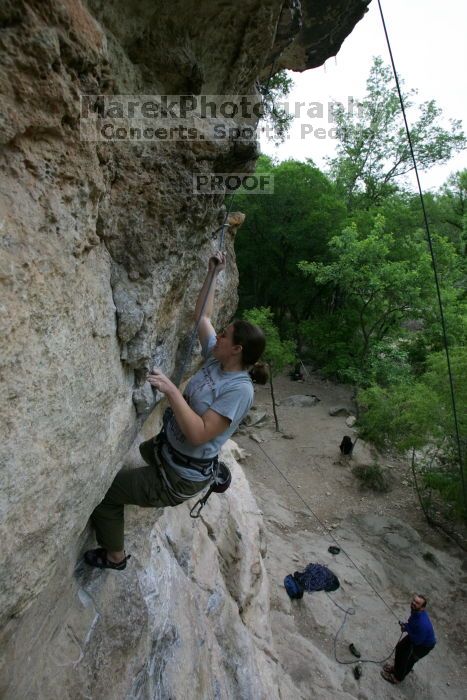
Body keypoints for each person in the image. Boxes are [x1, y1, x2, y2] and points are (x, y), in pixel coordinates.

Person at [84, 252, 267, 570]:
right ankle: (149, 475)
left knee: (108, 494)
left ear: (237, 349)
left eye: (225, 335)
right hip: (170, 450)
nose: (218, 335)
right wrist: (214, 273)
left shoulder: (238, 390)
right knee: (143, 450)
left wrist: (171, 390)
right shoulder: (217, 357)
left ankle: (115, 557)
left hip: (180, 475)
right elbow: (203, 317)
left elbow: (198, 434)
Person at [381, 594, 436, 684]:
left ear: (422, 608)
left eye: (417, 603)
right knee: (399, 648)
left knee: (407, 660)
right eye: (414, 600)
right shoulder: (416, 612)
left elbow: (417, 641)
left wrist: (407, 629)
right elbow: (412, 624)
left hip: (423, 645)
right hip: (416, 636)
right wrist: (406, 626)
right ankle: (396, 669)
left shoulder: (423, 624)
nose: (413, 603)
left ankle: (397, 678)